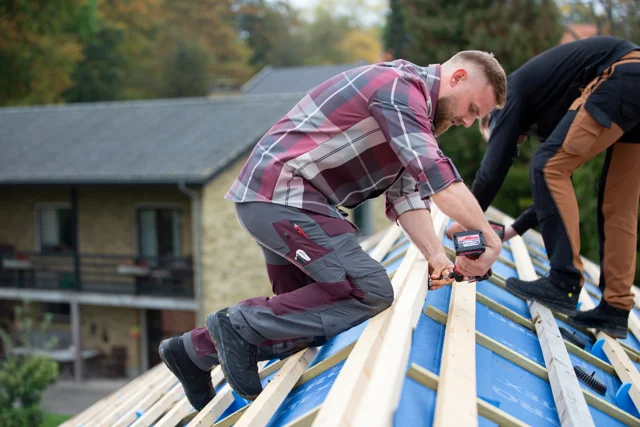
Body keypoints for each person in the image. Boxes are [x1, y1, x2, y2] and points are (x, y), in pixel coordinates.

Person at [159, 52, 507, 410]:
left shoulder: (412, 113)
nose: (467, 122)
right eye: (472, 109)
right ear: (458, 77)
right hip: (284, 198)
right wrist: (488, 235)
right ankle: (235, 325)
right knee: (368, 289)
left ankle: (194, 351)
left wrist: (436, 256)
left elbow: (405, 195)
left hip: (286, 204)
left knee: (308, 322)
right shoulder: (400, 89)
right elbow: (436, 174)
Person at [447, 36, 640, 338]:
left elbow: (493, 170)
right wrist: (513, 230)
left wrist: (468, 218)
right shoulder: (548, 110)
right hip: (632, 81)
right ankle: (615, 308)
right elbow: (555, 193)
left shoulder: (506, 102)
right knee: (617, 206)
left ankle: (564, 282)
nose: (515, 145)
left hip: (622, 75)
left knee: (546, 165)